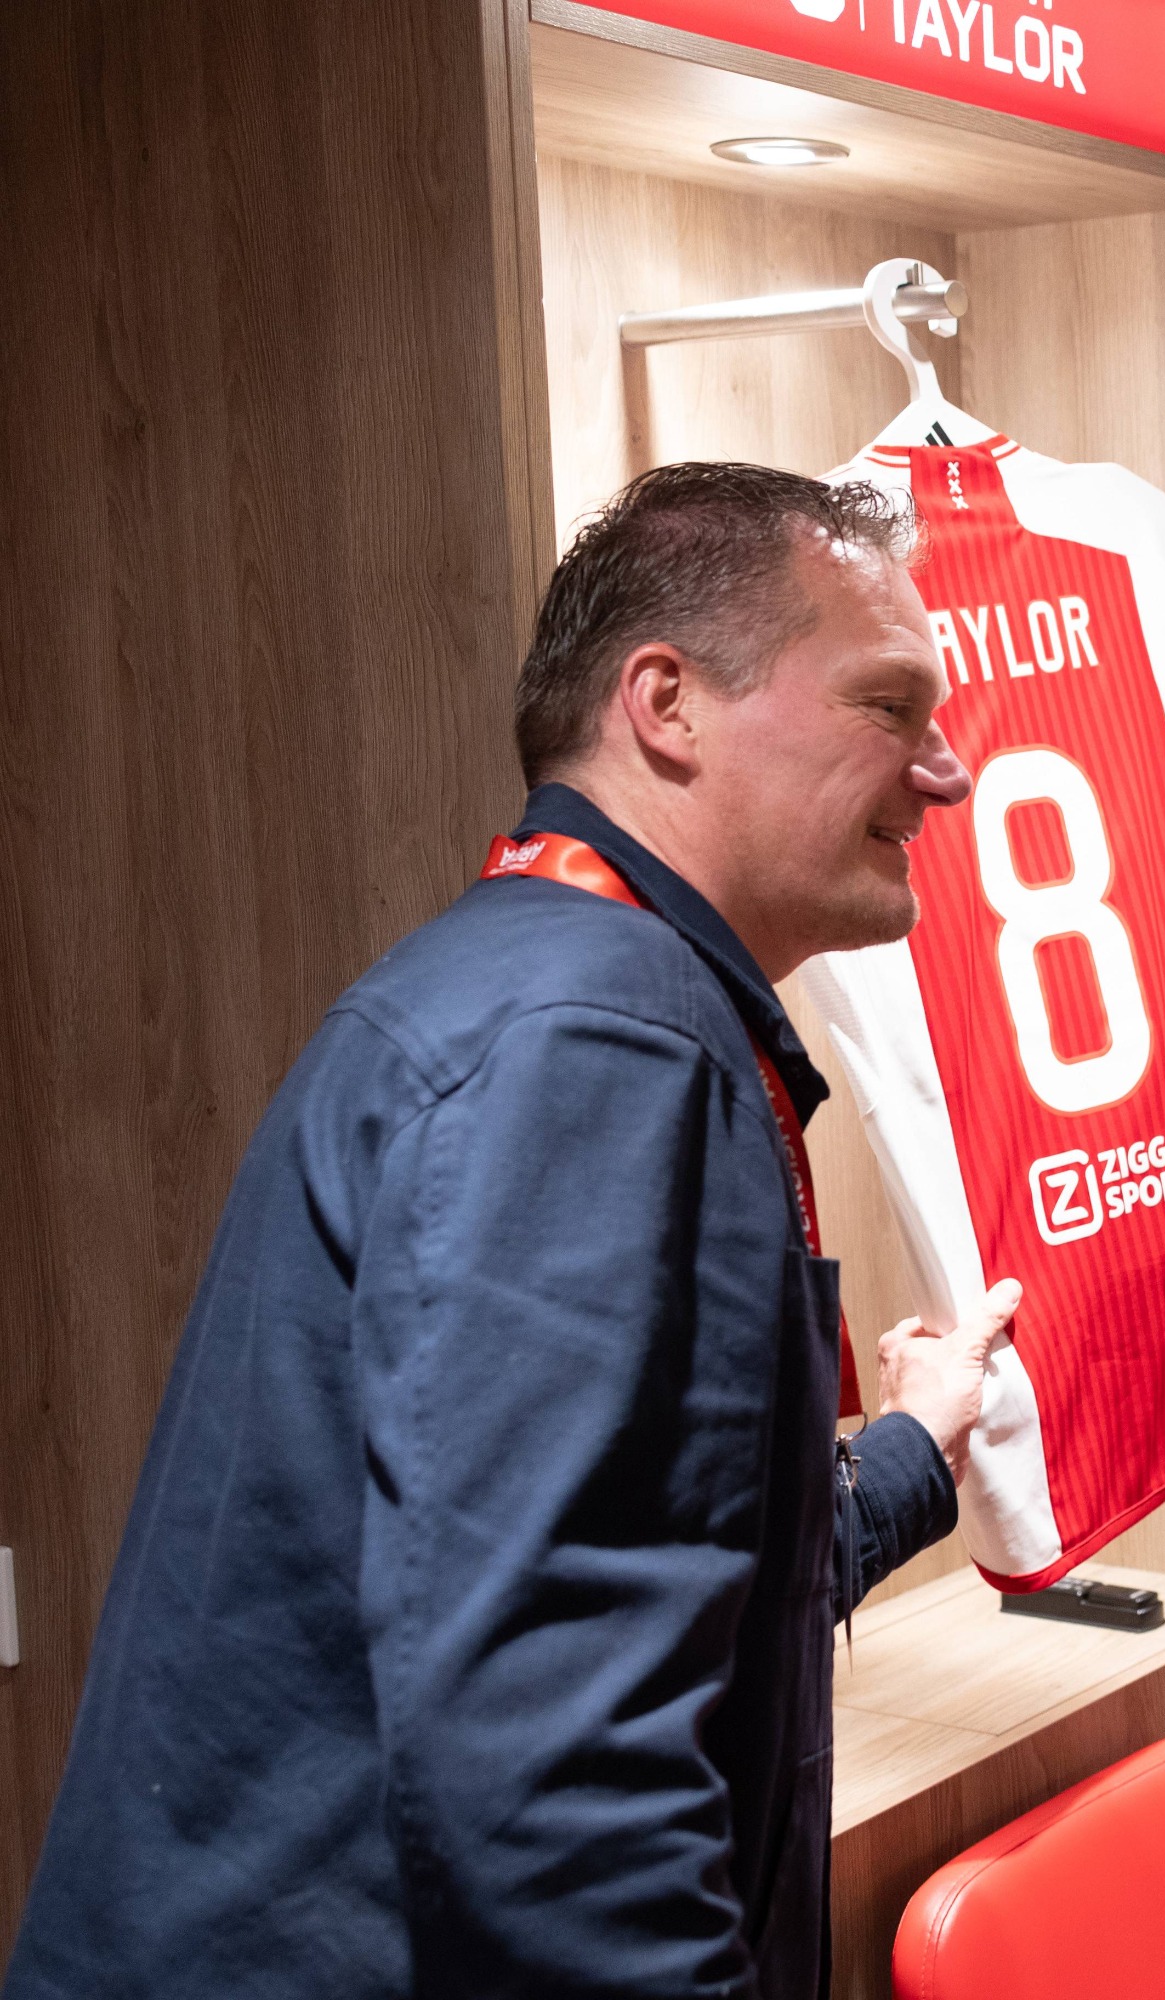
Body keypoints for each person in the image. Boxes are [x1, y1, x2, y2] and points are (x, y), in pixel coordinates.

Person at [5, 463, 1018, 2000]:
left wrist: (902, 1461)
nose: (946, 774)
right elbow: (552, 1769)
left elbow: (626, 1563)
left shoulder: (556, 996)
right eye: (892, 705)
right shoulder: (594, 1040)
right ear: (665, 704)